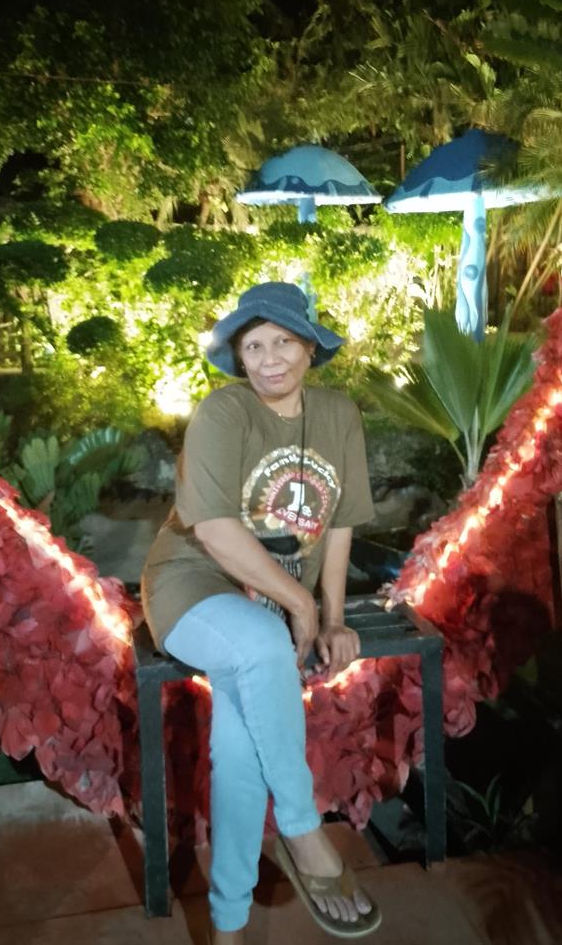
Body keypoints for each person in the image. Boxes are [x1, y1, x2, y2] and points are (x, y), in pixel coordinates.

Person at [141, 282, 381, 943]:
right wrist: (301, 603)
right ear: (238, 356)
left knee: (238, 749)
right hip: (192, 584)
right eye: (253, 346)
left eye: (283, 341)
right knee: (261, 644)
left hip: (269, 604)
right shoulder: (225, 412)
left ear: (310, 348)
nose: (269, 358)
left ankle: (228, 926)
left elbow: (339, 526)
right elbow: (214, 531)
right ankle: (303, 833)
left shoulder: (337, 415)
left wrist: (333, 617)